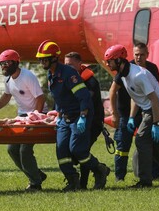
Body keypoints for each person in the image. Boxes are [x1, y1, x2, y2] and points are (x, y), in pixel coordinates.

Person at [104, 44, 159, 188]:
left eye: (110, 61)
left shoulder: (138, 75)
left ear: (118, 60)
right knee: (154, 146)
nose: (107, 64)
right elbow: (137, 96)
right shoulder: (123, 75)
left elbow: (154, 99)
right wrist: (131, 117)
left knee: (141, 140)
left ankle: (145, 181)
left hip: (158, 107)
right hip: (148, 107)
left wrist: (155, 124)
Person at [36, 40, 110, 191]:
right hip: (65, 118)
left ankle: (99, 169)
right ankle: (72, 181)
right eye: (40, 59)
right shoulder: (51, 75)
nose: (42, 62)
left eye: (45, 58)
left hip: (79, 116)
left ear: (54, 58)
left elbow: (84, 97)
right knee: (62, 151)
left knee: (78, 150)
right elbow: (60, 99)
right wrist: (58, 115)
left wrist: (83, 116)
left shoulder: (69, 74)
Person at [0, 49, 48, 191]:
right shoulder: (8, 78)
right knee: (12, 149)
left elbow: (40, 98)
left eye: (6, 63)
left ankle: (35, 183)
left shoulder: (27, 76)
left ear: (15, 63)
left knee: (25, 150)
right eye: (1, 64)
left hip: (36, 115)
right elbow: (7, 95)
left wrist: (36, 118)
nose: (3, 66)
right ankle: (36, 174)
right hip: (22, 117)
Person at [109, 42, 159, 182]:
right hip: (127, 113)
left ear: (147, 55)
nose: (139, 58)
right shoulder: (126, 69)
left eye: (142, 55)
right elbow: (112, 91)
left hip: (146, 110)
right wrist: (115, 113)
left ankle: (155, 174)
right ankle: (119, 177)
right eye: (136, 55)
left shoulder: (152, 69)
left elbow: (154, 92)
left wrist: (156, 120)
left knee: (151, 142)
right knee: (122, 145)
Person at [64, 51, 105, 190]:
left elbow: (86, 101)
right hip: (76, 121)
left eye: (70, 65)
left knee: (81, 151)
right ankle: (84, 181)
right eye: (66, 65)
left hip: (92, 123)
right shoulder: (68, 79)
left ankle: (93, 176)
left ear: (79, 64)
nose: (67, 68)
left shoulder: (90, 81)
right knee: (78, 152)